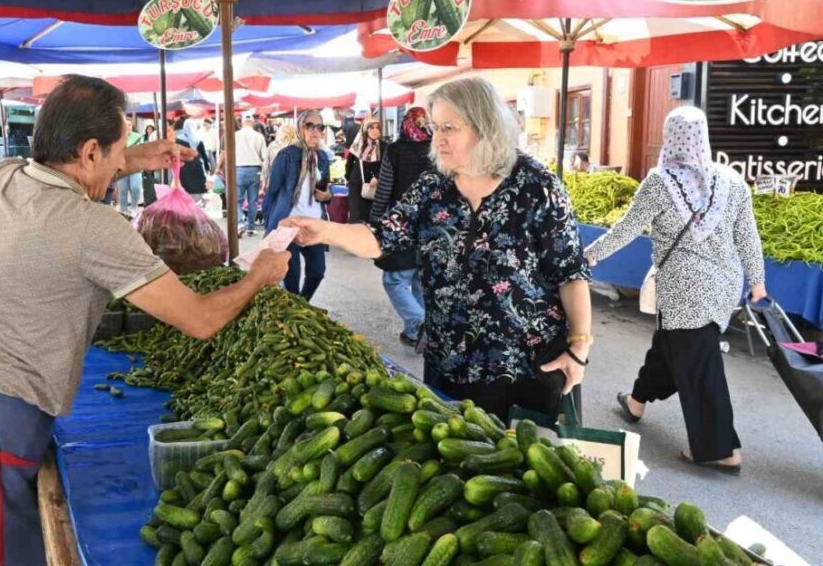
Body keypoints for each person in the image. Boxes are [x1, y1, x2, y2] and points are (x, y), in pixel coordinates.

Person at [0, 75, 289, 565]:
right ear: (89, 151)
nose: (124, 160)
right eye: (119, 150)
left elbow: (68, 177)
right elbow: (200, 319)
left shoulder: (5, 177)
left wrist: (134, 159)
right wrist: (259, 276)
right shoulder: (94, 227)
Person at [283, 78, 592, 419]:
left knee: (528, 463)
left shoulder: (538, 187)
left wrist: (579, 348)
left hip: (527, 368)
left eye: (449, 128)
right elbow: (382, 238)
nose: (437, 139)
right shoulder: (433, 188)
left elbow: (570, 274)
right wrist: (325, 230)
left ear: (485, 126)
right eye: (434, 127)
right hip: (449, 365)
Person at [585, 106, 766, 473]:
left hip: (683, 288)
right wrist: (758, 282)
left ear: (671, 138)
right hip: (722, 286)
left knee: (699, 366)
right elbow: (748, 238)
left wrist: (588, 256)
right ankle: (636, 401)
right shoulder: (732, 181)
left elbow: (626, 229)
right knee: (671, 345)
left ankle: (720, 449)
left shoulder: (660, 181)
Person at [369, 107, 434, 348]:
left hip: (402, 224)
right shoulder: (436, 150)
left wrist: (375, 220)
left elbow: (384, 188)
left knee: (394, 280)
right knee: (419, 278)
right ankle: (416, 331)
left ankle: (418, 324)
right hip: (433, 225)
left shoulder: (395, 150)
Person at [264, 110, 333, 302]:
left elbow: (326, 189)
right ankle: (296, 307)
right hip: (289, 224)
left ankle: (302, 303)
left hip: (314, 224)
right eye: (309, 126)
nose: (314, 131)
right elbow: (273, 192)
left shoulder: (323, 157)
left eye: (319, 127)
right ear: (299, 128)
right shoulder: (286, 156)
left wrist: (328, 196)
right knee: (291, 276)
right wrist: (270, 227)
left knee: (318, 271)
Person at [218, 114, 268, 236]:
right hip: (255, 170)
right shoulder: (259, 136)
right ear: (252, 122)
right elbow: (265, 157)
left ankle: (240, 223)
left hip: (238, 169)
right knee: (253, 201)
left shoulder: (235, 135)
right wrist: (265, 174)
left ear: (242, 123)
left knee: (237, 200)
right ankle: (251, 227)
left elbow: (228, 154)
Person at [345, 117, 386, 224]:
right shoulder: (358, 144)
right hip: (357, 185)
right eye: (371, 128)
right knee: (357, 217)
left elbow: (386, 165)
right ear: (365, 129)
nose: (375, 131)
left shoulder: (384, 146)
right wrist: (348, 178)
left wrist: (377, 177)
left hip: (374, 186)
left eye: (377, 128)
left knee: (372, 218)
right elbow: (349, 163)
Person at [173, 116, 211, 206]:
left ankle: (188, 208)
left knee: (186, 187)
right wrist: (207, 167)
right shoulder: (198, 140)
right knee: (197, 189)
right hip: (197, 167)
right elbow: (204, 157)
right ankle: (196, 207)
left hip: (183, 167)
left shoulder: (177, 140)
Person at [115, 117, 145, 216]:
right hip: (122, 167)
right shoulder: (118, 137)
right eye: (126, 125)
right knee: (123, 189)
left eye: (130, 125)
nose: (128, 127)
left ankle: (134, 207)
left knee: (135, 187)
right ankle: (123, 210)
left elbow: (142, 151)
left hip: (135, 166)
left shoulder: (138, 136)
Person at [262, 123, 297, 192]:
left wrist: (264, 181)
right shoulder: (297, 146)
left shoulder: (272, 145)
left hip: (274, 179)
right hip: (291, 181)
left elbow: (266, 165)